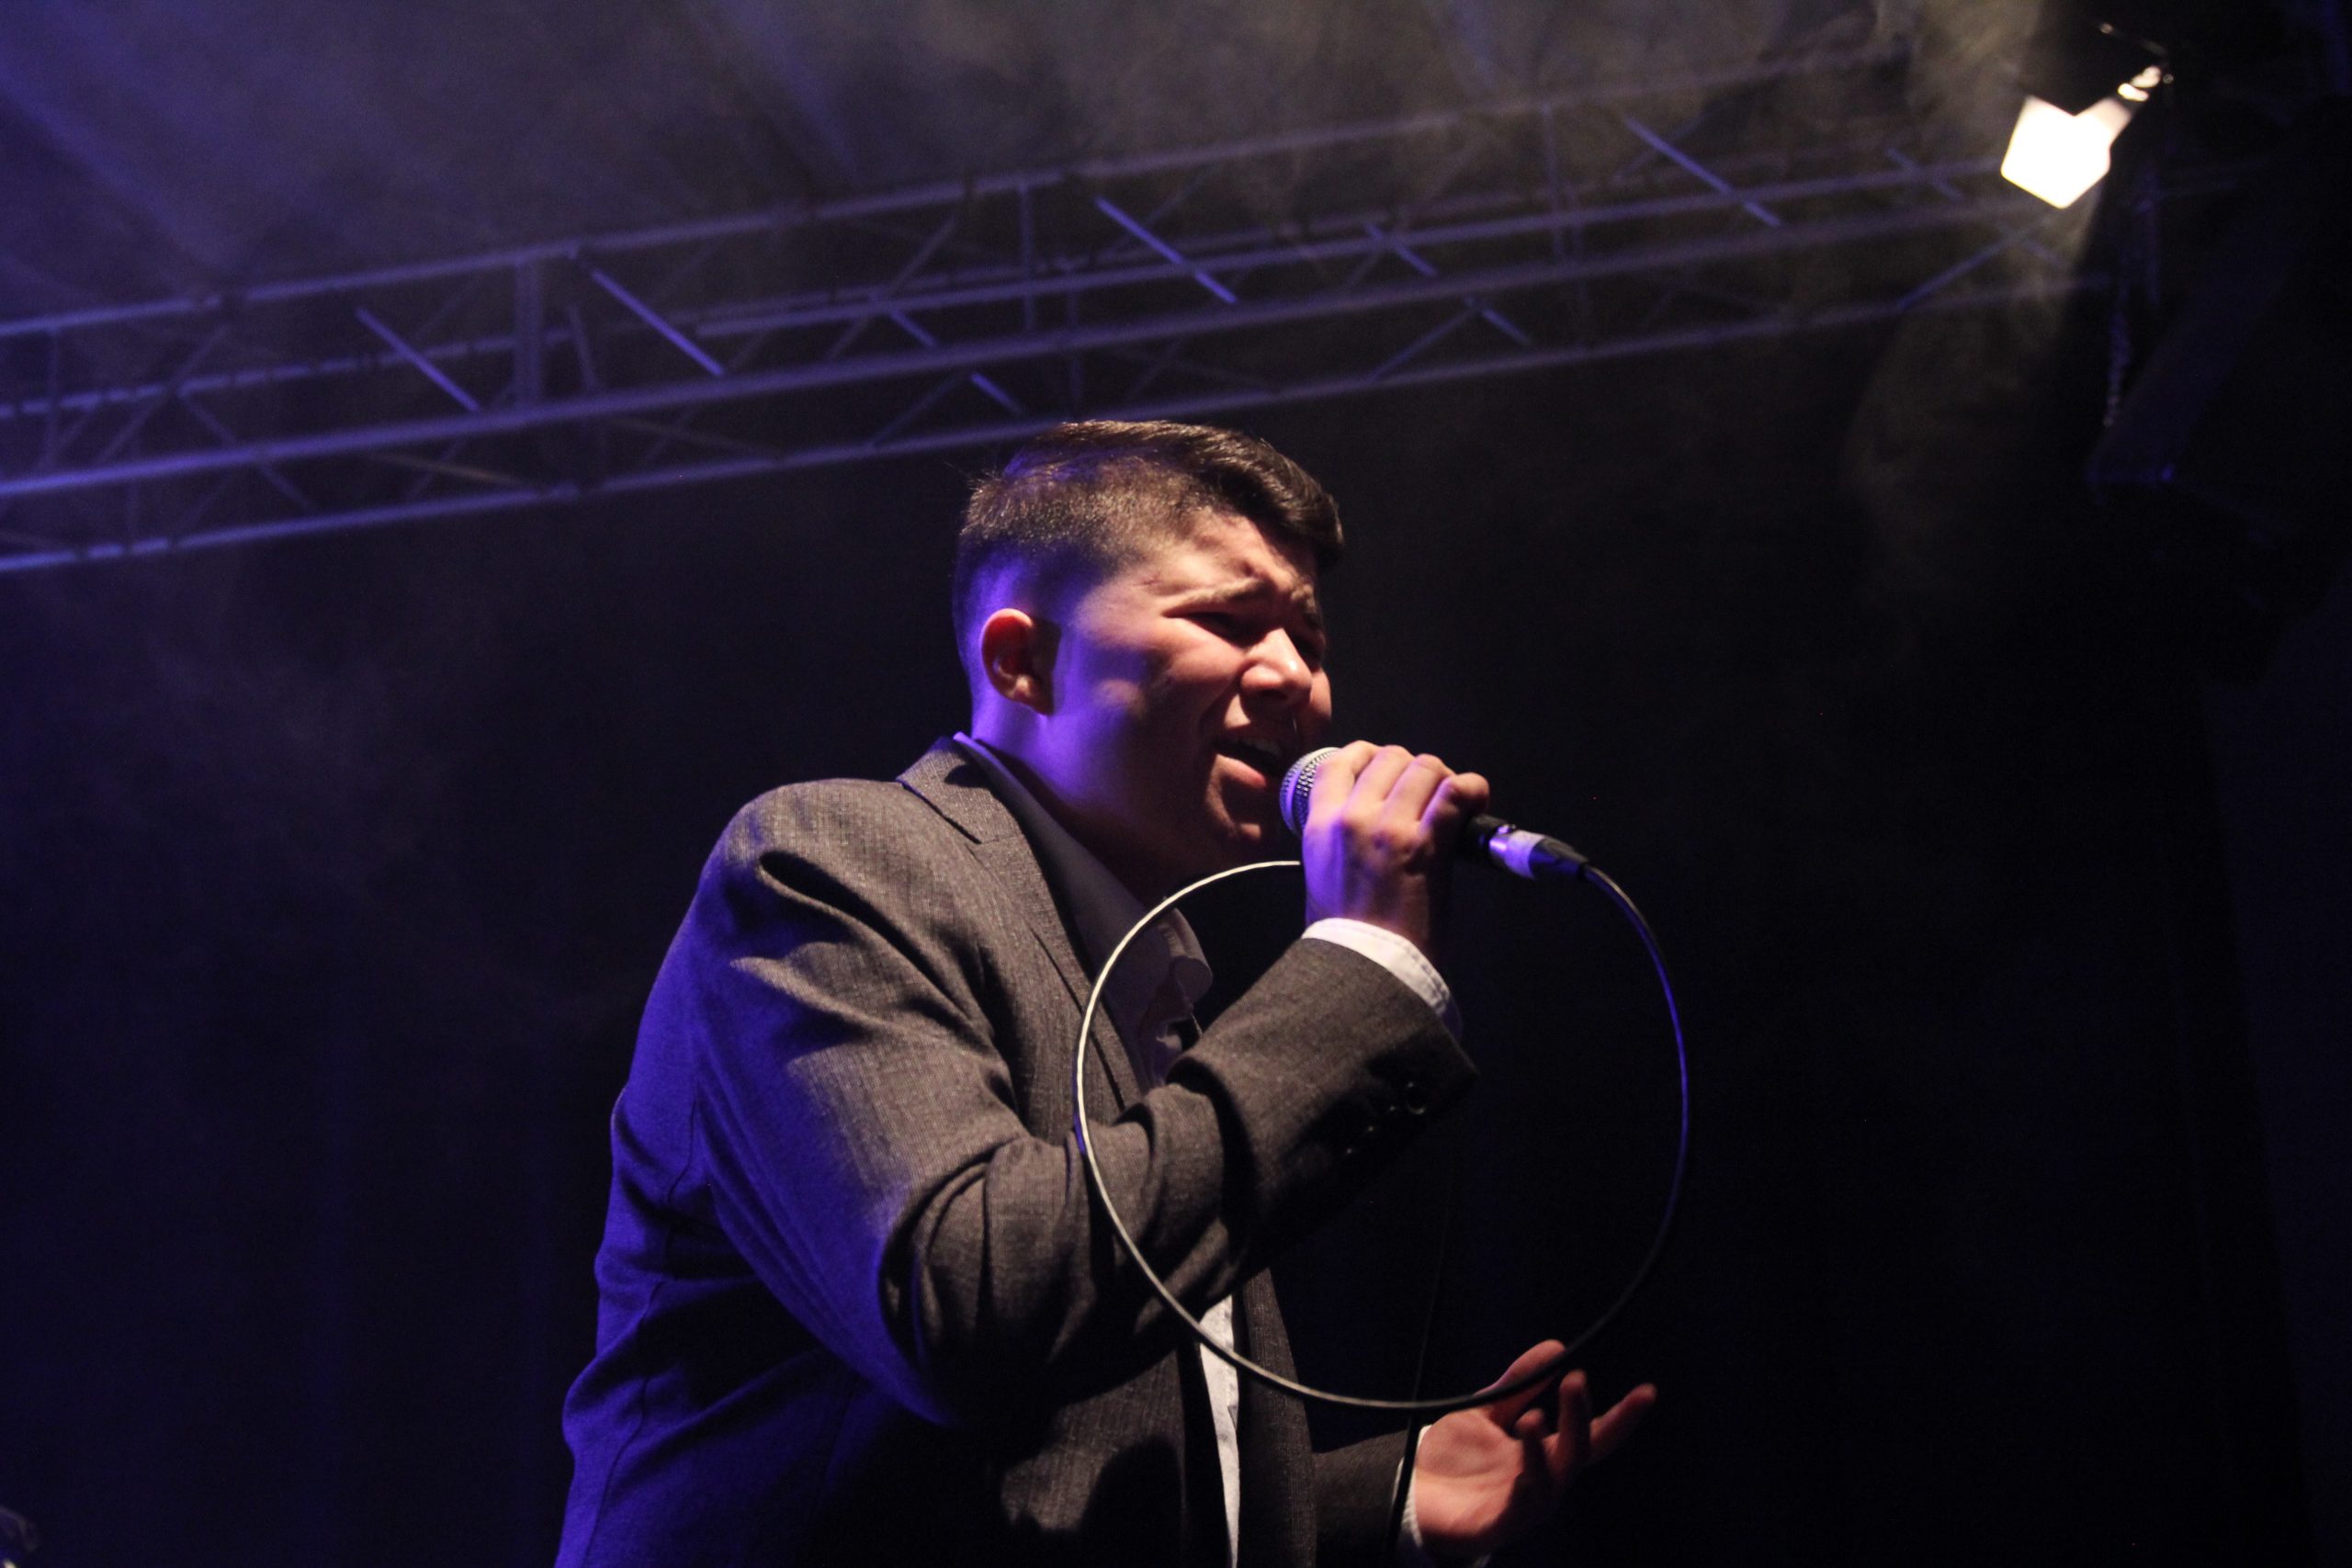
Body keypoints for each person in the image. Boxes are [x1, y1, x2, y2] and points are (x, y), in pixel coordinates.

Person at [555, 421, 1653, 1566]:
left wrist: (1386, 1496)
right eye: (1229, 621)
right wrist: (1362, 965)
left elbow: (1051, 1483)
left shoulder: (1146, 986)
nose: (1297, 679)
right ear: (1022, 662)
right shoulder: (830, 863)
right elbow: (968, 1313)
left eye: (1309, 637)